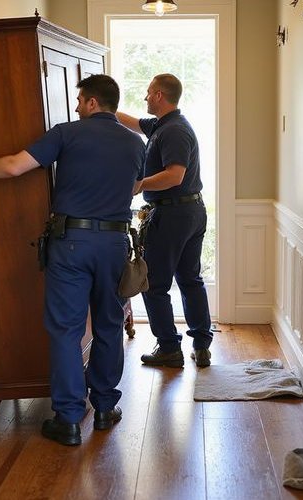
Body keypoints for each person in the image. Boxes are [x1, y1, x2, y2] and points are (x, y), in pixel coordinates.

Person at [0, 74, 145, 446]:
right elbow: (136, 185)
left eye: (80, 100)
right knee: (108, 324)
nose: (76, 107)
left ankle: (69, 420)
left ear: (92, 102)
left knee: (66, 330)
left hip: (71, 242)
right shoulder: (135, 142)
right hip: (114, 243)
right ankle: (104, 408)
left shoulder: (67, 133)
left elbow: (14, 166)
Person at [116, 73, 213, 369]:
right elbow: (131, 122)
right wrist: (104, 109)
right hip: (188, 212)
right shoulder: (162, 125)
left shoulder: (174, 131)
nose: (145, 97)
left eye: (148, 92)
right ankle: (201, 345)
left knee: (155, 283)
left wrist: (139, 185)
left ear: (159, 95)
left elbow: (175, 176)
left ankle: (169, 348)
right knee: (190, 279)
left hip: (173, 215)